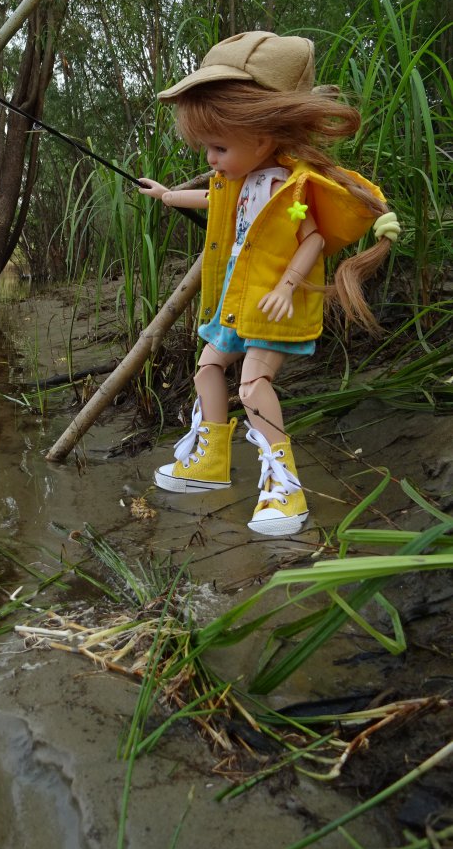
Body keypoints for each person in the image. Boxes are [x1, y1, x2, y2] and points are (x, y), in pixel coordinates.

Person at [138, 31, 400, 536]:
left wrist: (287, 286)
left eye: (218, 147)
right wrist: (170, 196)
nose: (210, 160)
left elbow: (314, 240)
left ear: (262, 138)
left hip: (273, 298)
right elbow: (218, 200)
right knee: (207, 367)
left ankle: (287, 488)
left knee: (254, 384)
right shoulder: (240, 181)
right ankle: (211, 462)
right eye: (206, 147)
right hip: (236, 295)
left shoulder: (291, 187)